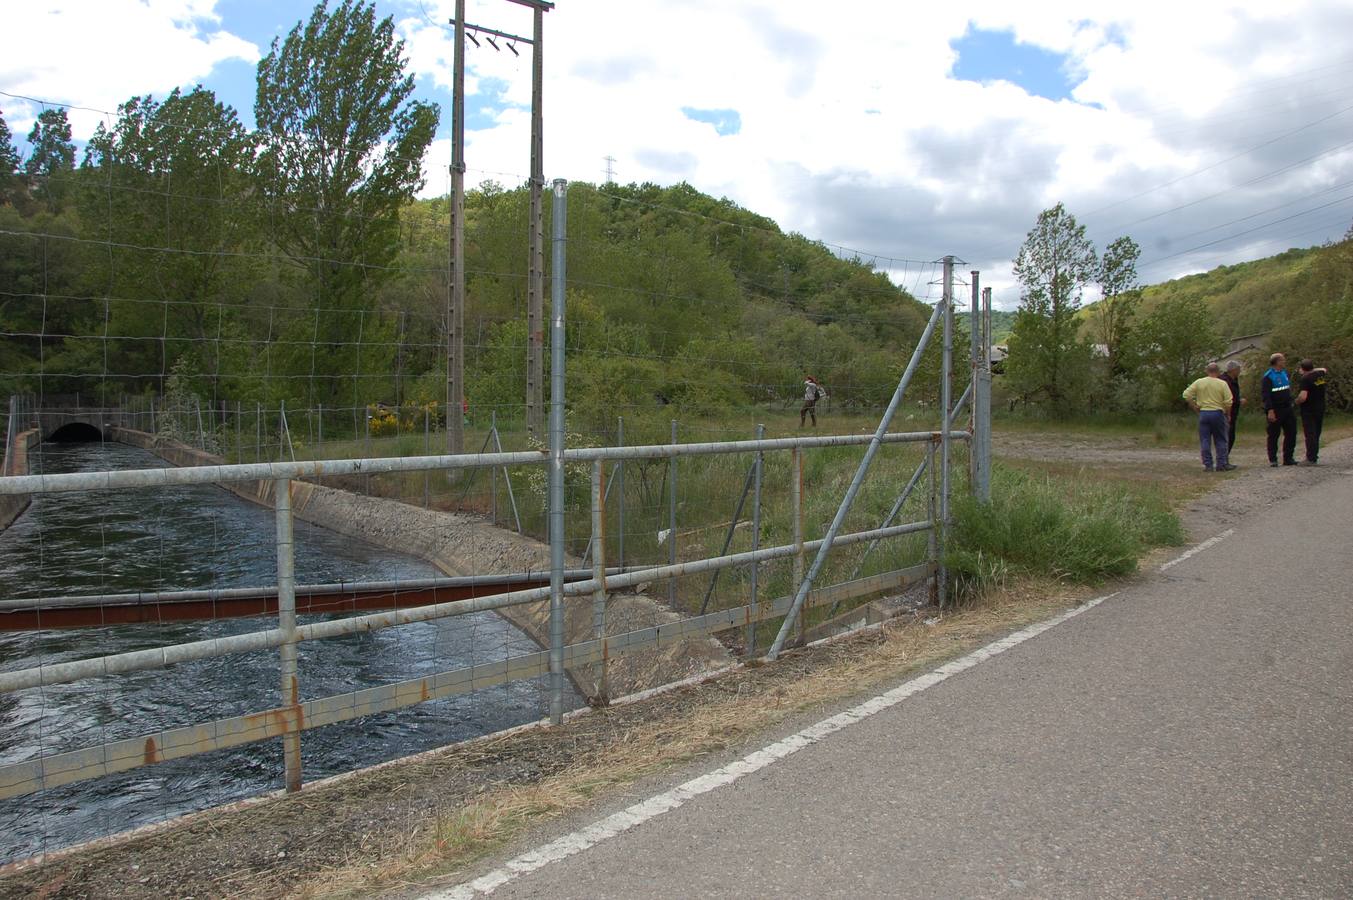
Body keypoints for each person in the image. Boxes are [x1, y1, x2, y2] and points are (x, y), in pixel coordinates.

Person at [1183, 362, 1236, 472]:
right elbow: (1228, 401)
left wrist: (1194, 406)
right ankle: (1221, 463)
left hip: (1204, 413)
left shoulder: (1199, 382)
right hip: (1217, 412)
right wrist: (1228, 414)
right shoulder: (1222, 384)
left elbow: (1186, 394)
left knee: (1205, 439)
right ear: (1218, 372)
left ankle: (1208, 464)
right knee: (1221, 439)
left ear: (1207, 371)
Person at [1260, 352, 1297, 467]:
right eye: (1282, 360)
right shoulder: (1268, 376)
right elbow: (1266, 395)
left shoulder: (1284, 373)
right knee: (1273, 434)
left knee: (1291, 432)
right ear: (1276, 362)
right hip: (1276, 409)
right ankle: (1273, 459)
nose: (1284, 362)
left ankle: (1288, 458)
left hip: (1287, 408)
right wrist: (1270, 410)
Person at [1294, 359, 1329, 465]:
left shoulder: (1306, 378)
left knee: (1310, 434)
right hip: (1320, 407)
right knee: (1316, 432)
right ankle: (1314, 455)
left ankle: (1310, 458)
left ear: (1302, 369)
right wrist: (1312, 369)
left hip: (1309, 409)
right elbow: (1324, 369)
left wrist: (1296, 401)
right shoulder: (1320, 374)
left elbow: (1303, 397)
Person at [1222, 360, 1244, 450]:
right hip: (1226, 412)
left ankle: (1224, 458)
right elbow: (1227, 397)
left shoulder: (1234, 380)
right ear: (1233, 370)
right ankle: (1223, 459)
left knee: (1231, 436)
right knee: (1227, 436)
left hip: (1234, 411)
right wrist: (1238, 401)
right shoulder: (1224, 381)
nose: (1239, 371)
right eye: (1238, 369)